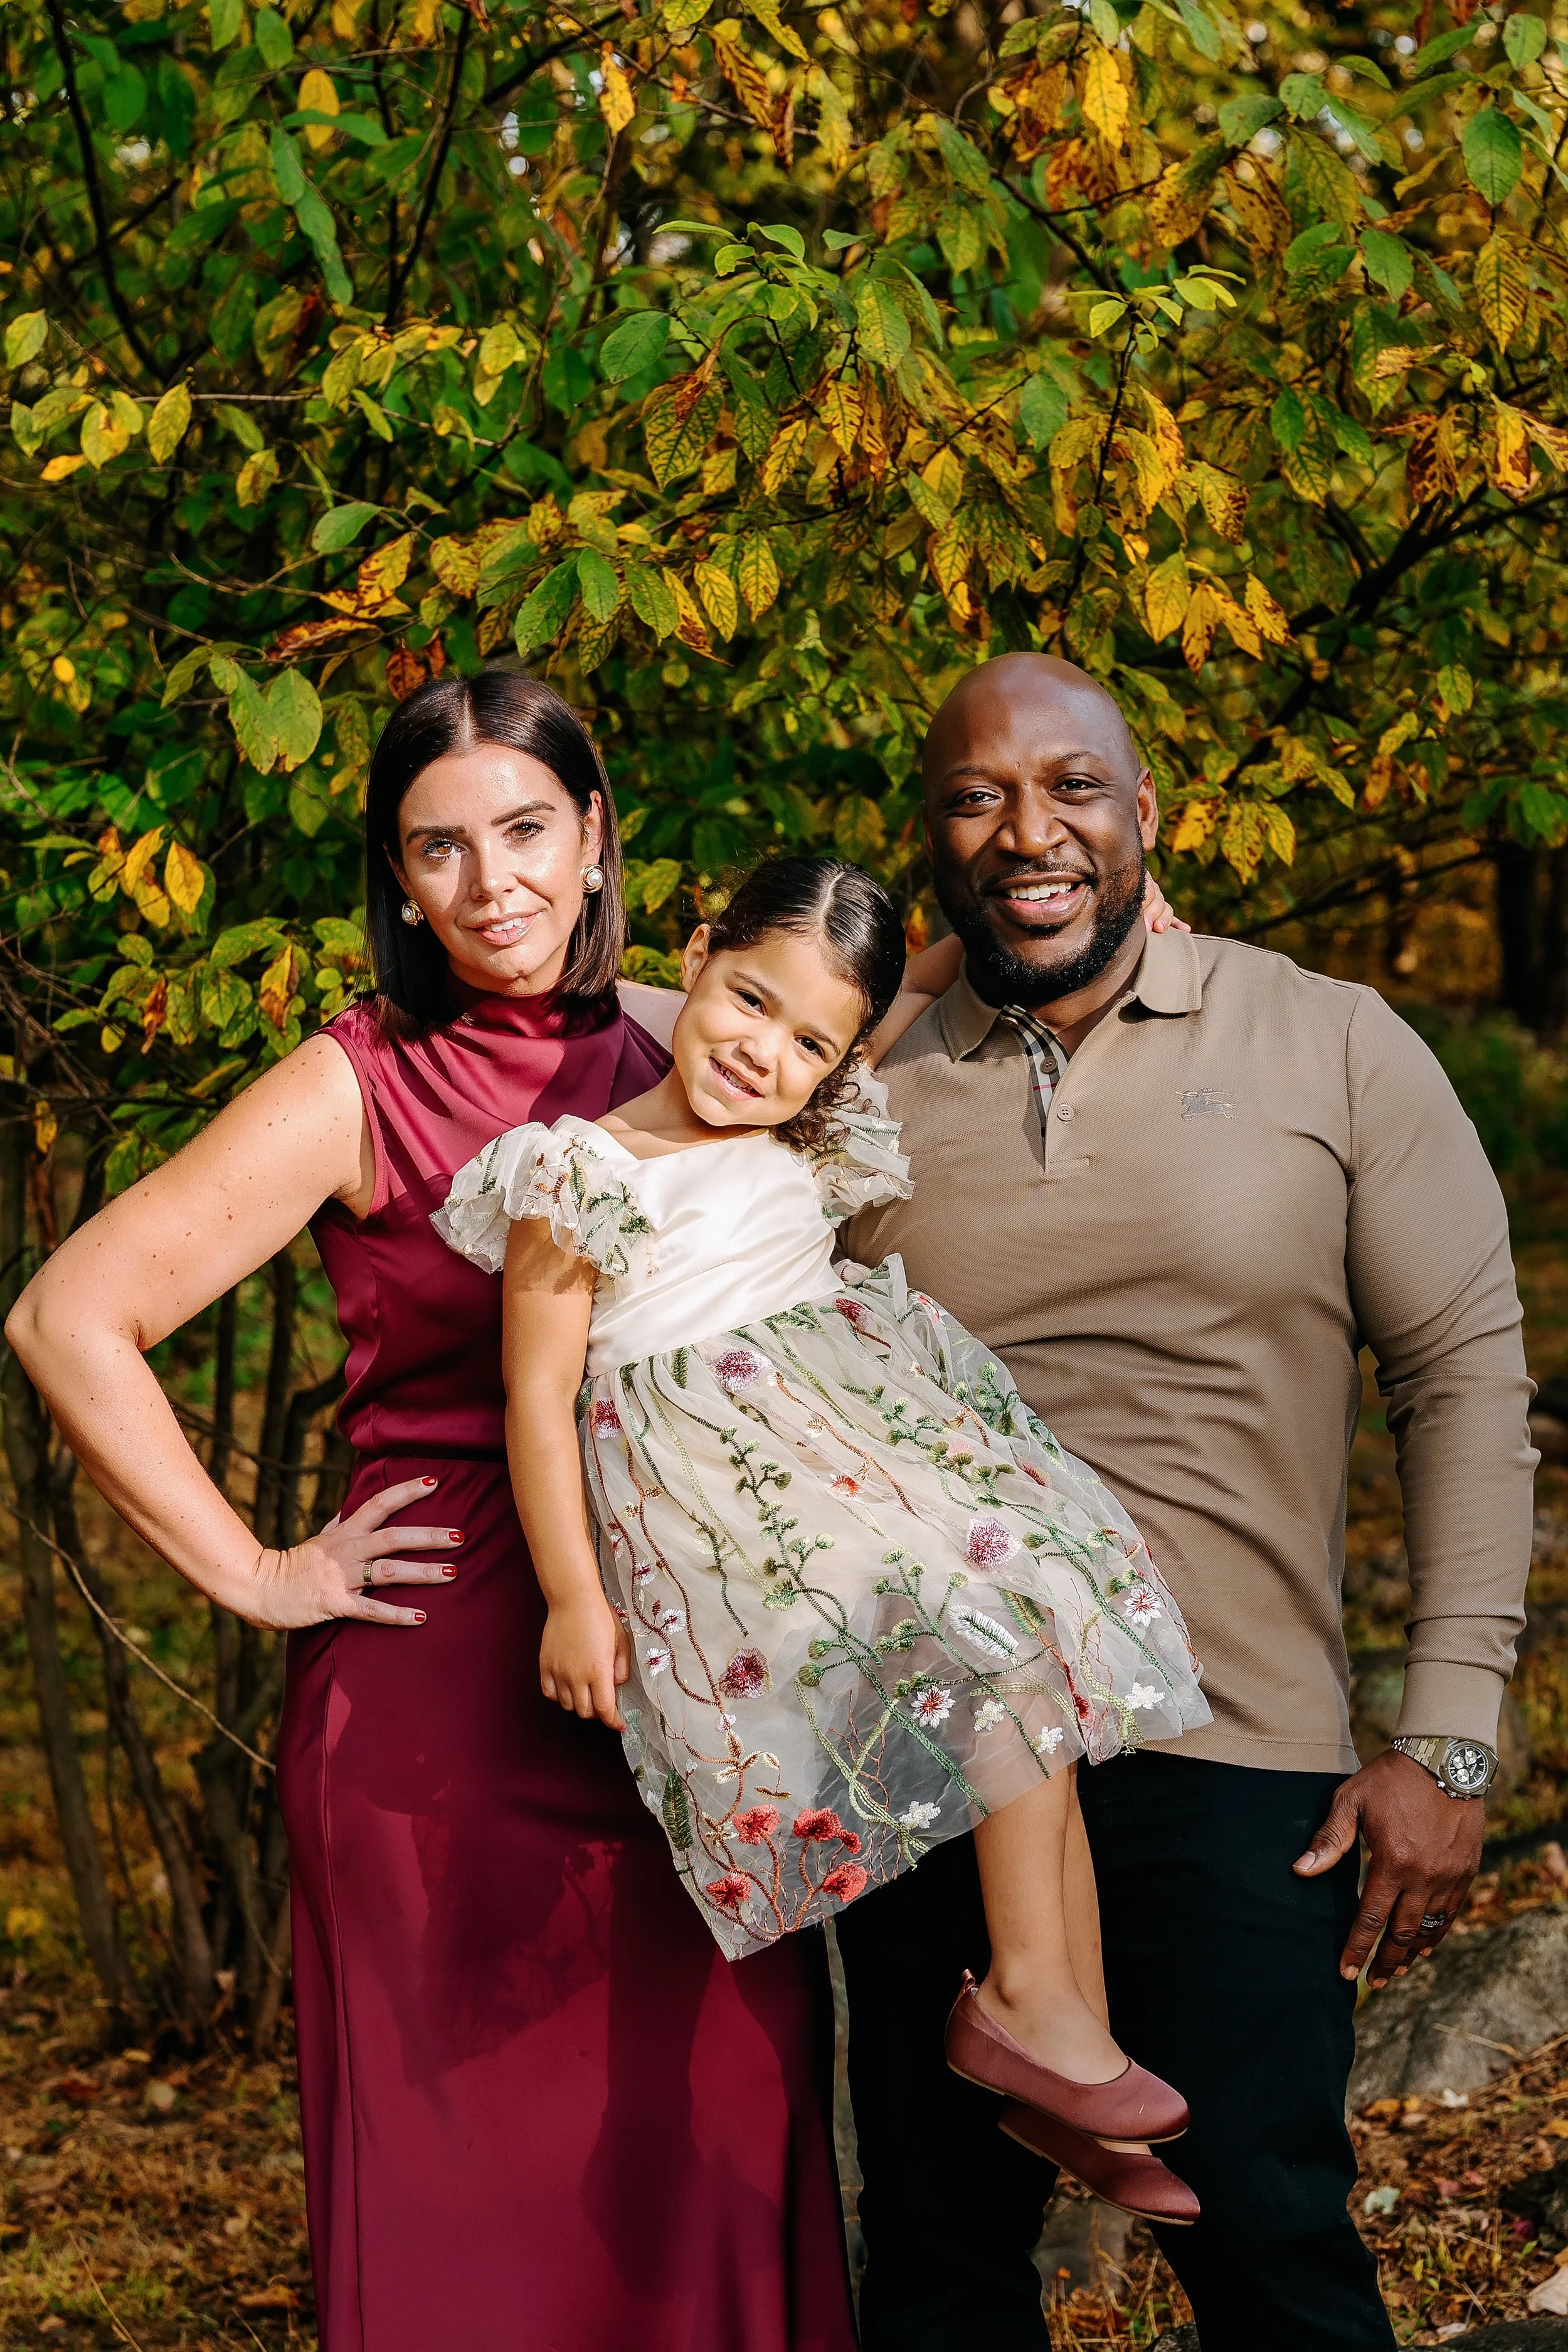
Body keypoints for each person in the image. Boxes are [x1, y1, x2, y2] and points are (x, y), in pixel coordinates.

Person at [4, 671, 860, 2352]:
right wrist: (258, 1570)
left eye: (527, 829)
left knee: (716, 2168)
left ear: (598, 830)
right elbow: (68, 1315)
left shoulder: (706, 1038)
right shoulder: (357, 1083)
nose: (496, 883)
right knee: (474, 2236)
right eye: (440, 849)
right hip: (442, 1724)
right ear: (398, 880)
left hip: (700, 1721)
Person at [837, 650, 1537, 2352]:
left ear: (1146, 812)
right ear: (929, 838)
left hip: (1233, 1754)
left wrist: (1444, 1734)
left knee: (1272, 2242)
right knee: (934, 2264)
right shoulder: (849, 1084)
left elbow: (1460, 1375)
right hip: (929, 1743)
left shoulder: (1330, 1038)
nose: (1029, 830)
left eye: (1072, 786)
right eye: (976, 795)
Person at [435, 852, 1210, 2222]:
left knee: (1030, 1664)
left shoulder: (806, 1123)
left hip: (861, 1464)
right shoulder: (582, 1168)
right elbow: (535, 1397)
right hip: (737, 1515)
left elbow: (906, 986)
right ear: (693, 957)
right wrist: (571, 1596)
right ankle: (1030, 2006)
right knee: (992, 1627)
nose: (763, 1051)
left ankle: (1057, 2044)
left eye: (808, 1043)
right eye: (745, 1000)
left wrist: (1104, 923)